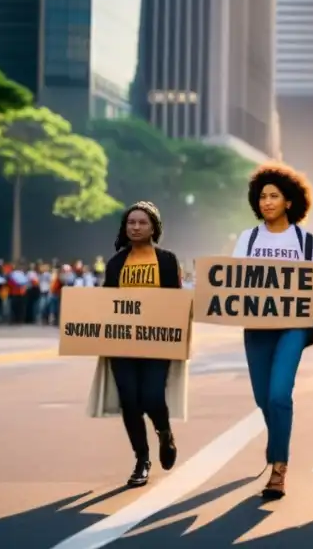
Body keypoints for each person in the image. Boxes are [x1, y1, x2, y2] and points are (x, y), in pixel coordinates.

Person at [233, 162, 313, 501]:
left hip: (293, 327)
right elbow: (234, 281)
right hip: (257, 327)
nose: (267, 202)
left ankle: (279, 467)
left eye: (274, 196)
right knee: (263, 398)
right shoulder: (248, 239)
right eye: (262, 196)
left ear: (290, 202)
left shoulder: (307, 242)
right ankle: (277, 442)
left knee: (278, 394)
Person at [103, 201, 182, 488]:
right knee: (130, 402)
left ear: (154, 228)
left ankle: (164, 432)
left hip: (156, 344)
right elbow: (105, 305)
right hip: (122, 345)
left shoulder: (167, 261)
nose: (135, 227)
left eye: (142, 222)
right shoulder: (115, 263)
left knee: (151, 397)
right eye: (131, 222)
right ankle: (142, 459)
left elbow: (176, 303)